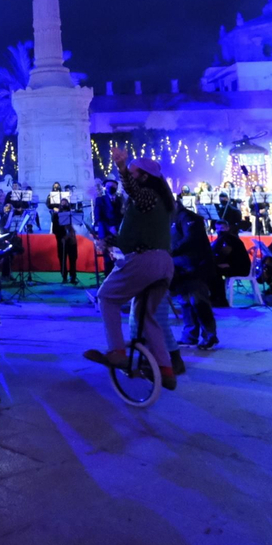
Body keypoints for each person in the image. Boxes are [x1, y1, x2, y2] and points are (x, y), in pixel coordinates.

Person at [83, 149, 178, 390]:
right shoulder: (161, 202)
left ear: (144, 177)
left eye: (135, 174)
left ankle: (117, 350)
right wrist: (108, 241)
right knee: (148, 317)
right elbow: (134, 237)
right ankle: (166, 369)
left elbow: (134, 191)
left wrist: (122, 167)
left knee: (106, 297)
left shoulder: (146, 196)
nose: (128, 181)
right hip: (163, 262)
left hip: (145, 260)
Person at [169, 203, 219, 348]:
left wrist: (171, 251)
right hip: (181, 266)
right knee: (185, 301)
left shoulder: (188, 217)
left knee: (198, 300)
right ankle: (190, 335)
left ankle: (209, 335)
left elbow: (191, 239)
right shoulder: (171, 218)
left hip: (196, 266)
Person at [50, 184, 80, 284]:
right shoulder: (56, 216)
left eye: (65, 202)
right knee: (62, 258)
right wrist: (61, 237)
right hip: (62, 239)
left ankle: (73, 276)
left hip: (71, 239)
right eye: (62, 203)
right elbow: (55, 229)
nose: (64, 204)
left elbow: (78, 223)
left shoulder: (72, 213)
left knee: (73, 258)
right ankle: (64, 276)